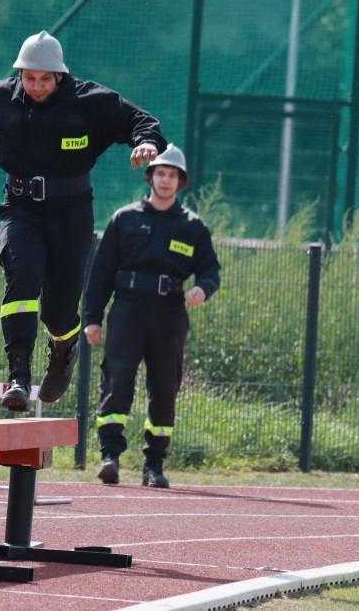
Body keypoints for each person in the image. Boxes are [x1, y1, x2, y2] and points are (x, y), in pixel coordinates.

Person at [0, 30, 167, 412]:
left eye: (44, 79)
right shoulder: (2, 97)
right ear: (20, 74)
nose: (35, 86)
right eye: (28, 78)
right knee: (22, 280)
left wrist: (146, 143)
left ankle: (64, 349)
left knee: (58, 311)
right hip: (20, 209)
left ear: (59, 76)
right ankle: (18, 374)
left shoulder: (89, 102)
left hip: (72, 214)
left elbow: (140, 120)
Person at [83, 145, 221, 488]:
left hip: (170, 313)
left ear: (180, 181)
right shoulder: (125, 218)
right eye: (161, 173)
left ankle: (153, 466)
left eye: (172, 175)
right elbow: (101, 271)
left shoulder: (193, 227)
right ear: (150, 177)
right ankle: (110, 457)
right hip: (127, 309)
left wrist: (203, 288)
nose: (166, 180)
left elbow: (211, 270)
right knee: (117, 381)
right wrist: (92, 317)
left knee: (164, 389)